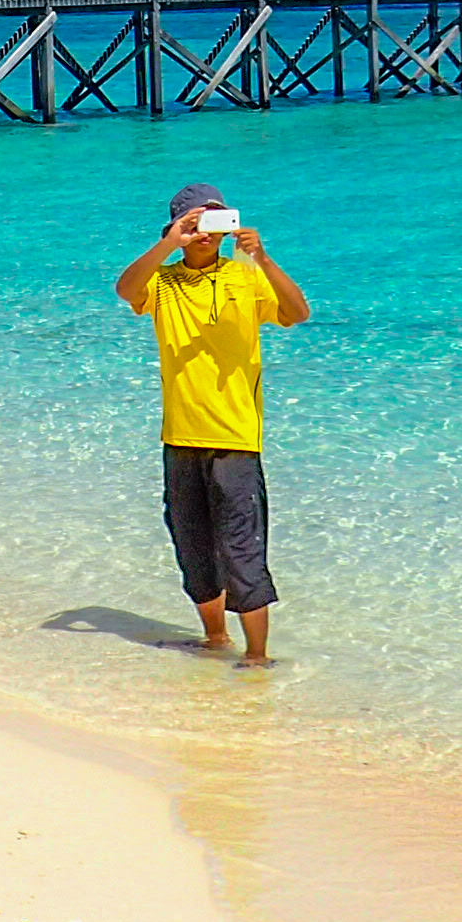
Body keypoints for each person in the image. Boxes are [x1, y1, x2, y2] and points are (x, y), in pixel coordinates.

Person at [112, 182, 312, 666]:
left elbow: (298, 312)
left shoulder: (244, 278)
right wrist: (168, 245)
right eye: (196, 222)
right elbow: (125, 289)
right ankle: (215, 639)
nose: (206, 231)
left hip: (235, 439)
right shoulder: (163, 283)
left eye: (214, 221)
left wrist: (262, 257)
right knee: (191, 544)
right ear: (181, 226)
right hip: (180, 437)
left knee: (241, 546)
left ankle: (258, 656)